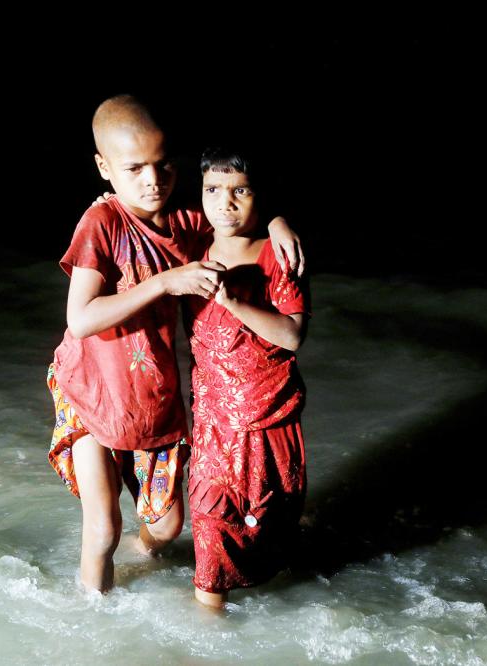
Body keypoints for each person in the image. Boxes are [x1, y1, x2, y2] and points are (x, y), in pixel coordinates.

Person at [47, 95, 303, 593]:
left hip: (151, 402)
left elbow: (240, 212)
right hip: (92, 393)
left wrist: (278, 223)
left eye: (163, 165)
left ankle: (144, 566)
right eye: (134, 168)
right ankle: (91, 628)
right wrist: (166, 283)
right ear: (104, 168)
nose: (152, 180)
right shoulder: (102, 224)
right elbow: (79, 319)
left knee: (165, 527)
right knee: (103, 530)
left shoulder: (186, 221)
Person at [186, 147, 309, 609]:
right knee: (210, 522)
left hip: (269, 414)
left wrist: (233, 301)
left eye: (241, 191)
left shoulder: (278, 254)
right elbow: (139, 219)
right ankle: (204, 635)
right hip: (214, 422)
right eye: (213, 191)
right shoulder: (192, 244)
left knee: (268, 522)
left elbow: (294, 336)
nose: (225, 203)